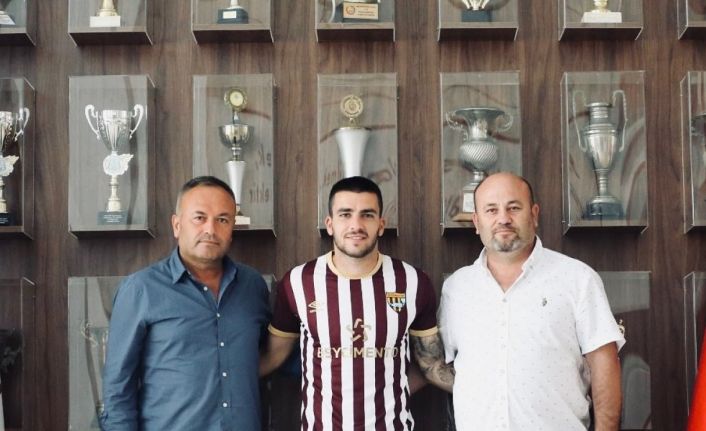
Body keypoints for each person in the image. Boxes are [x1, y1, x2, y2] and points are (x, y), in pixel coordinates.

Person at [260, 176, 453, 430]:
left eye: (367, 215)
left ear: (381, 224)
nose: (356, 225)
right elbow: (274, 356)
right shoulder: (298, 282)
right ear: (330, 224)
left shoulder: (413, 282)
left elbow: (430, 365)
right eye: (345, 214)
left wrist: (493, 389)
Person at [439, 172, 625, 431]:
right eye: (491, 210)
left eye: (514, 207)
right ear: (477, 222)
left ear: (534, 214)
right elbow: (440, 364)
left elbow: (605, 365)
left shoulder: (578, 279)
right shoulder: (456, 288)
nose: (503, 218)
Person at [100, 176, 270, 430]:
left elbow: (265, 356)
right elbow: (118, 389)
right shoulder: (141, 290)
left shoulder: (253, 286)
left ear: (232, 229)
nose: (210, 229)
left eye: (222, 220)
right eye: (199, 218)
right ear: (177, 225)